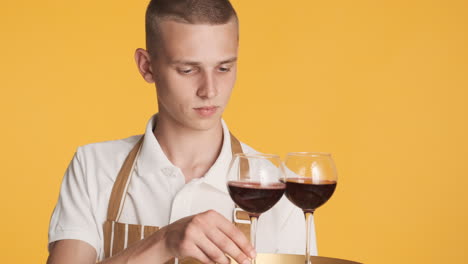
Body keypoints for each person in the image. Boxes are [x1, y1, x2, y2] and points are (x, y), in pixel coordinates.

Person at [47, 0, 316, 263]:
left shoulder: (279, 188)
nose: (209, 90)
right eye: (188, 69)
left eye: (223, 68)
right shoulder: (93, 166)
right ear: (146, 66)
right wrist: (163, 243)